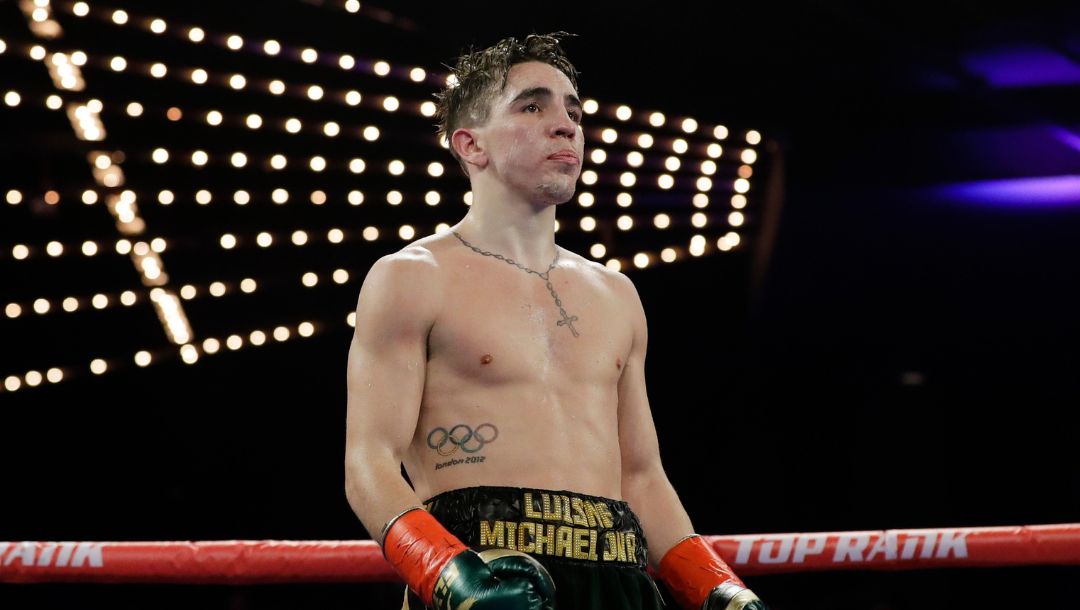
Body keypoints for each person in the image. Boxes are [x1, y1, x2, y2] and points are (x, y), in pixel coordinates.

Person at [344, 32, 767, 610]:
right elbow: (367, 463)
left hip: (619, 578)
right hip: (485, 566)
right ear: (471, 145)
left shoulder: (615, 294)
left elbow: (642, 476)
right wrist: (450, 576)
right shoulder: (412, 277)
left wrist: (719, 589)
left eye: (573, 110)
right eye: (532, 105)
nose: (567, 124)